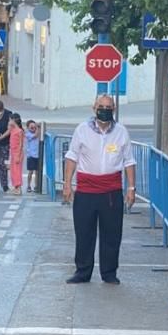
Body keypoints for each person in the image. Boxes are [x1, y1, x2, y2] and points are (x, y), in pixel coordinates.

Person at [62, 95, 136, 285]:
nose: (105, 110)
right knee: (84, 233)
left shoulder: (121, 132)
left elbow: (129, 161)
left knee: (112, 234)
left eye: (109, 107)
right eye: (101, 106)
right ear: (94, 108)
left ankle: (109, 273)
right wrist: (67, 184)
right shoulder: (82, 130)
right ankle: (83, 272)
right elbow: (72, 156)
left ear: (114, 108)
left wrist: (131, 188)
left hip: (111, 191)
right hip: (86, 190)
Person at [8, 113, 24, 195]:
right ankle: (15, 186)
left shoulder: (20, 131)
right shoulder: (12, 129)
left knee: (17, 170)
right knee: (13, 170)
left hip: (17, 152)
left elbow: (21, 144)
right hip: (13, 151)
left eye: (10, 120)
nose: (9, 121)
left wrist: (18, 154)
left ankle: (18, 187)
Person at [25, 119, 40, 193]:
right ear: (28, 128)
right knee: (31, 172)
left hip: (38, 155)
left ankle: (36, 185)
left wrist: (40, 127)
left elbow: (40, 134)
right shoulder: (28, 134)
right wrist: (38, 127)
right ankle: (28, 185)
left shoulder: (38, 132)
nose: (34, 129)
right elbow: (35, 136)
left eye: (34, 127)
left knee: (37, 172)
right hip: (31, 156)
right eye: (31, 127)